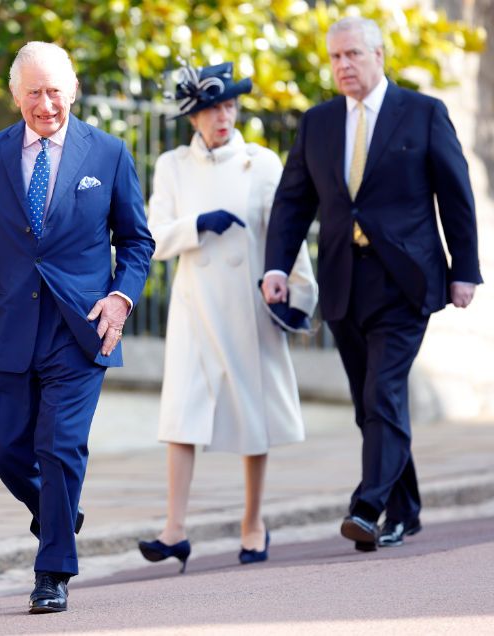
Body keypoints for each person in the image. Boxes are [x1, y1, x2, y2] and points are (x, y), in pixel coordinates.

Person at [0, 42, 154, 613]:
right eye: (33, 91)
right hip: (8, 327)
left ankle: (53, 568)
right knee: (5, 449)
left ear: (73, 90)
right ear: (15, 96)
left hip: (80, 328)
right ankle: (59, 514)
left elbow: (136, 241)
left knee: (59, 446)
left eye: (55, 89)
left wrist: (120, 298)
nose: (45, 102)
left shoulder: (107, 153)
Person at [262, 16, 482, 552]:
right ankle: (405, 509)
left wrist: (465, 270)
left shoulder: (424, 113)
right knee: (369, 404)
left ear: (378, 55)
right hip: (343, 279)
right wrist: (275, 266)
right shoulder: (317, 123)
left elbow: (455, 195)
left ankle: (367, 505)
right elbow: (293, 201)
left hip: (405, 280)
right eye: (335, 57)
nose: (342, 66)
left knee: (383, 393)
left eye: (352, 55)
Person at [137, 61, 317, 572]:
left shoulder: (261, 163)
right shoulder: (172, 165)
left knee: (251, 413)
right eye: (213, 108)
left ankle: (253, 522)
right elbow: (152, 238)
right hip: (195, 306)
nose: (224, 116)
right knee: (181, 415)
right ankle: (174, 529)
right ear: (194, 116)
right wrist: (197, 224)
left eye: (230, 106)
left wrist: (297, 291)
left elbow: (287, 231)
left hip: (247, 304)